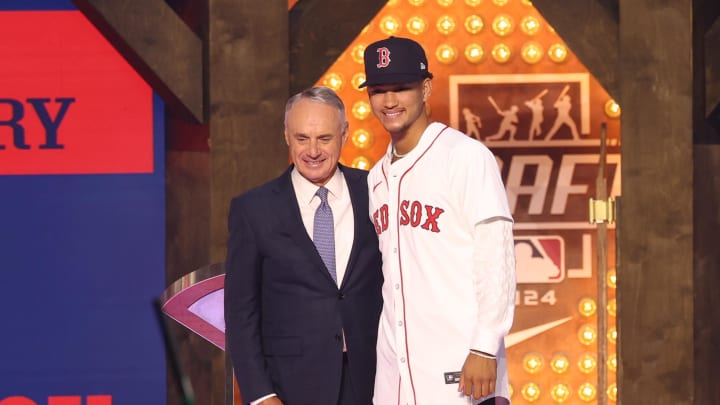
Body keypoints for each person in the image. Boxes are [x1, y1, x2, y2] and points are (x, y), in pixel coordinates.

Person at [359, 36, 516, 405]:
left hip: (462, 368)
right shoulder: (376, 178)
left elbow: (496, 255)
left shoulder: (464, 157)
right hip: (395, 374)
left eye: (402, 87)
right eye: (379, 90)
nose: (390, 101)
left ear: (426, 88)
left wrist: (485, 346)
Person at [224, 86, 383, 405]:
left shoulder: (377, 192)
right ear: (286, 135)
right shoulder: (253, 210)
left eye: (324, 138)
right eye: (301, 138)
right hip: (290, 387)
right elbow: (241, 312)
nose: (313, 150)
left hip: (374, 380)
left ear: (345, 134)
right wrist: (260, 393)